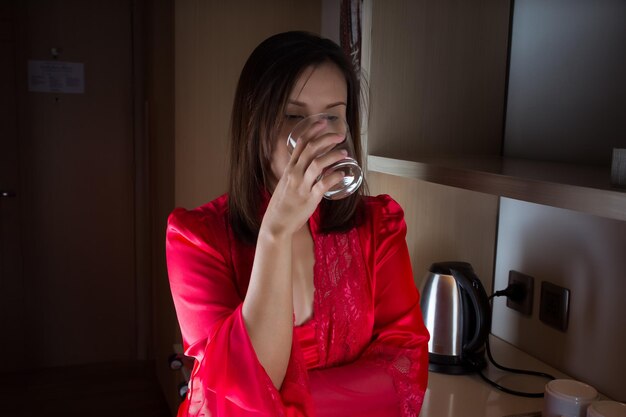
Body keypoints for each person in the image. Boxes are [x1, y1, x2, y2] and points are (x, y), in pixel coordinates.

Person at [166, 31, 429, 417]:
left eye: (332, 116)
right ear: (254, 124)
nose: (317, 134)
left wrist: (276, 405)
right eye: (293, 116)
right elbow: (229, 402)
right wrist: (276, 231)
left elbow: (405, 373)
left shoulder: (379, 225)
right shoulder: (196, 239)